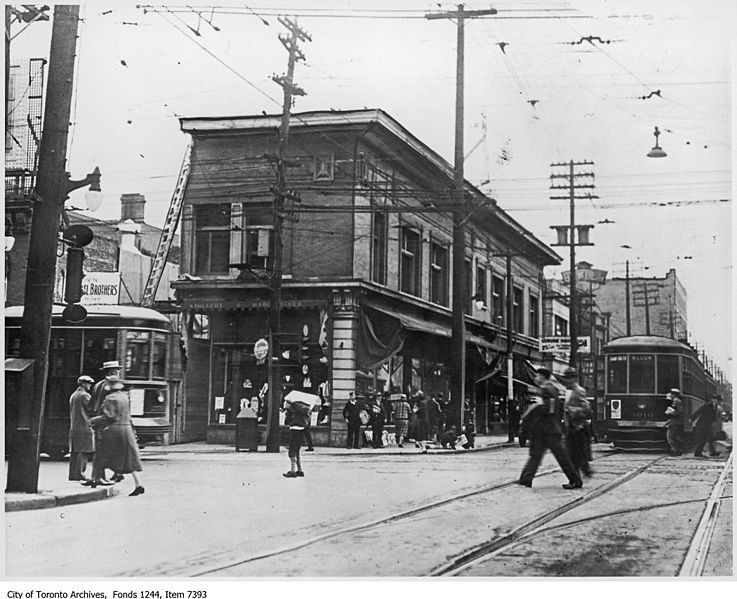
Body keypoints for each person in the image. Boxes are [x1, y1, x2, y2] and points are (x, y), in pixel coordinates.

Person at [517, 367, 583, 490]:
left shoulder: (547, 390)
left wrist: (532, 413)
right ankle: (525, 480)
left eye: (537, 376)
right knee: (538, 456)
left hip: (547, 431)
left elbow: (547, 409)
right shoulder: (552, 389)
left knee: (559, 457)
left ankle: (575, 480)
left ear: (543, 377)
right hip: (548, 430)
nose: (536, 378)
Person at [89, 376, 145, 496]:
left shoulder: (110, 398)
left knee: (102, 454)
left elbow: (109, 416)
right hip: (127, 429)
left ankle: (94, 479)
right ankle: (138, 485)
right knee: (131, 458)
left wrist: (94, 420)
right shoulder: (125, 397)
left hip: (114, 430)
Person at [86, 360, 122, 487]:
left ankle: (102, 476)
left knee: (101, 450)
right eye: (117, 370)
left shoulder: (98, 385)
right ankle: (98, 477)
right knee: (104, 450)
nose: (118, 373)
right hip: (106, 421)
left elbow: (92, 404)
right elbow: (110, 405)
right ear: (112, 372)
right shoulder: (111, 385)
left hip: (99, 420)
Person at [561, 367, 593, 478]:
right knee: (572, 455)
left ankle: (576, 479)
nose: (567, 381)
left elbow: (587, 408)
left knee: (574, 455)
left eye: (569, 378)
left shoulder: (579, 391)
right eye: (566, 378)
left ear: (574, 379)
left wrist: (573, 410)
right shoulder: (568, 392)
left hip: (578, 427)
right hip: (570, 427)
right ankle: (577, 477)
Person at [68, 375, 95, 482]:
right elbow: (92, 410)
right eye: (88, 383)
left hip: (74, 427)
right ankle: (80, 473)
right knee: (83, 452)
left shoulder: (73, 395)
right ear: (83, 383)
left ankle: (73, 475)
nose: (90, 385)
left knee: (75, 451)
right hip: (84, 427)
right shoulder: (85, 396)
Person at [283, 399, 311, 478]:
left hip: (295, 428)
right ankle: (299, 469)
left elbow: (288, 420)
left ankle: (292, 470)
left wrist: (287, 413)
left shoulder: (292, 411)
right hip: (301, 428)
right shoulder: (302, 410)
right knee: (297, 449)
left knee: (292, 450)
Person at [665, 388, 686, 456]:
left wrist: (672, 413)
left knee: (671, 436)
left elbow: (680, 411)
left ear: (674, 395)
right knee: (673, 436)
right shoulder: (675, 401)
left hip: (676, 422)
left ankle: (677, 450)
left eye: (671, 394)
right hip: (675, 422)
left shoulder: (677, 401)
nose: (670, 395)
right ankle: (677, 450)